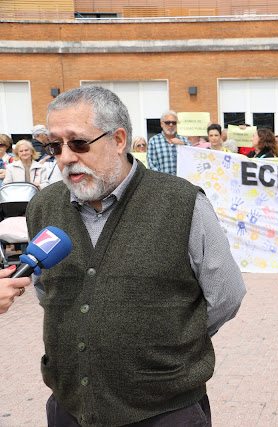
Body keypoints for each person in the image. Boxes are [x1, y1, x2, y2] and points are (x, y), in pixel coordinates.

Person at [21, 85, 246, 425]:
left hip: (165, 410)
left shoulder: (181, 203)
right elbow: (46, 291)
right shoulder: (43, 206)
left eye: (79, 143)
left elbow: (226, 294)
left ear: (119, 139)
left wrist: (172, 345)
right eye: (54, 146)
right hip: (71, 406)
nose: (65, 157)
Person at [146, 110, 190, 175]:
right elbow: (152, 165)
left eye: (174, 123)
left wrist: (183, 145)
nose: (171, 125)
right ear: (161, 124)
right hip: (162, 182)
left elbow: (191, 160)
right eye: (167, 122)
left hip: (182, 182)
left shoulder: (184, 140)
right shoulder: (153, 141)